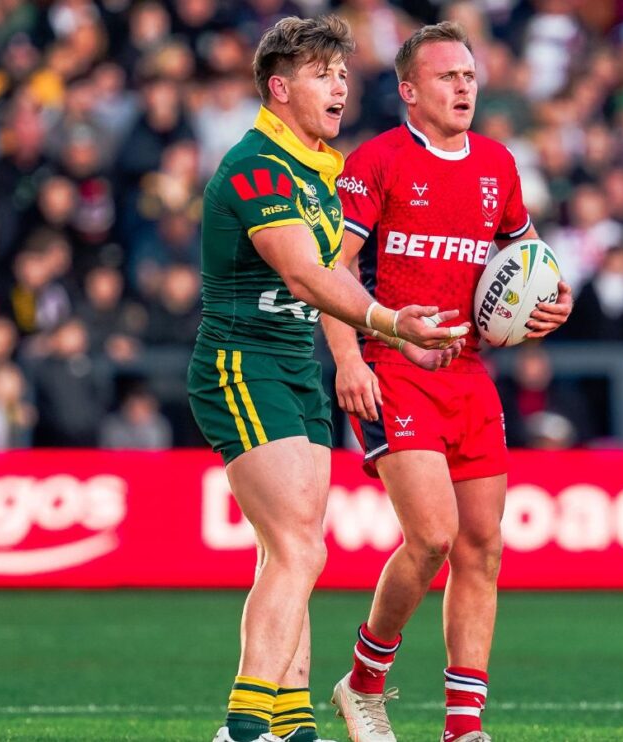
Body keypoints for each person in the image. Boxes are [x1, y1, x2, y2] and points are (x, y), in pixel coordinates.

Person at [188, 17, 465, 742]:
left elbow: (342, 276)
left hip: (296, 364)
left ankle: (290, 724)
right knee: (300, 549)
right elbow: (306, 273)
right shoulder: (254, 165)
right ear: (280, 88)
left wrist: (371, 347)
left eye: (341, 71)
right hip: (242, 362)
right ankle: (243, 728)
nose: (339, 83)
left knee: (295, 548)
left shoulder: (326, 171)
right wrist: (394, 324)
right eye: (321, 72)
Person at [323, 22, 572, 742]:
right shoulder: (376, 162)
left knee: (483, 546)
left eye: (468, 74)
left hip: (468, 371)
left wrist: (555, 301)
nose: (463, 86)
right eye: (446, 77)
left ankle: (464, 727)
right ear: (409, 90)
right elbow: (332, 272)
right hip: (394, 364)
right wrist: (347, 357)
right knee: (431, 537)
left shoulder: (498, 163)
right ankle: (364, 683)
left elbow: (527, 258)